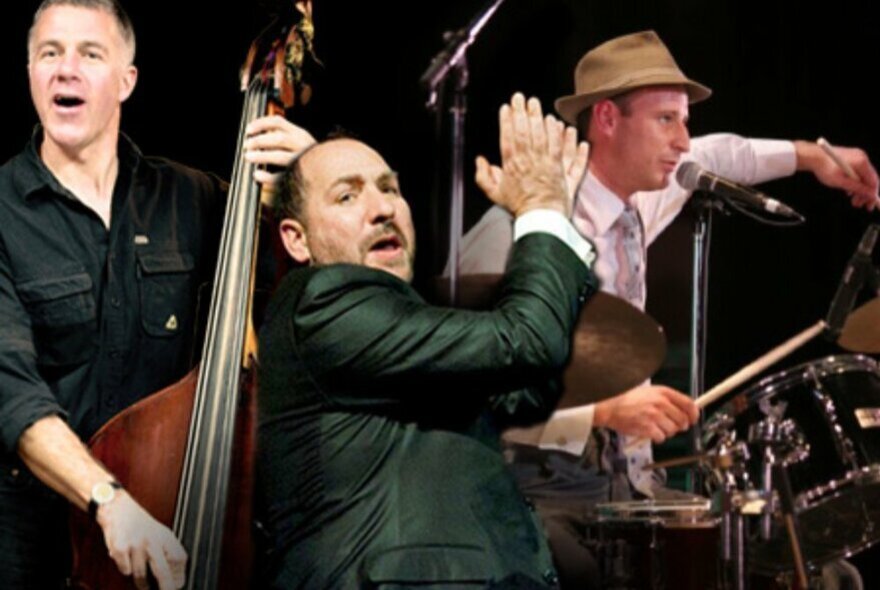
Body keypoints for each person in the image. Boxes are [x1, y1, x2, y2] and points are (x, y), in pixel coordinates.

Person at [458, 30, 879, 589]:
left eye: (685, 121)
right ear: (606, 119)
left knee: (816, 571)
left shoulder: (639, 196)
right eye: (667, 121)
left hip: (630, 489)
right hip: (537, 496)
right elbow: (468, 391)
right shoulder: (515, 232)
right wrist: (603, 412)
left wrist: (816, 158)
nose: (684, 141)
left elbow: (722, 153)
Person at [0, 1, 312, 588]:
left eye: (90, 54)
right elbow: (10, 390)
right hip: (32, 549)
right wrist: (110, 503)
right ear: (31, 74)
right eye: (50, 53)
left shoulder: (191, 199)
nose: (66, 69)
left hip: (172, 531)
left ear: (127, 81)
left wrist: (309, 179)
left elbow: (312, 278)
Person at [257, 93, 598, 589]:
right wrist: (541, 211)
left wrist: (556, 221)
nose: (382, 209)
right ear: (297, 239)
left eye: (390, 189)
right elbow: (527, 341)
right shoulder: (322, 306)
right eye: (347, 197)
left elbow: (524, 385)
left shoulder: (392, 332)